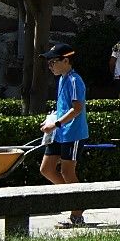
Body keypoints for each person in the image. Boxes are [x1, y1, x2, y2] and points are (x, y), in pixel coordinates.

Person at [39, 42, 89, 229]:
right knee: (47, 169)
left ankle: (76, 214)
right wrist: (51, 122)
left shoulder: (75, 80)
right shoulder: (62, 79)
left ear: (65, 60)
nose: (50, 66)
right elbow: (63, 107)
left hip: (73, 133)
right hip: (59, 133)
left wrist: (56, 124)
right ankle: (75, 201)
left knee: (67, 171)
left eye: (53, 62)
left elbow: (77, 109)